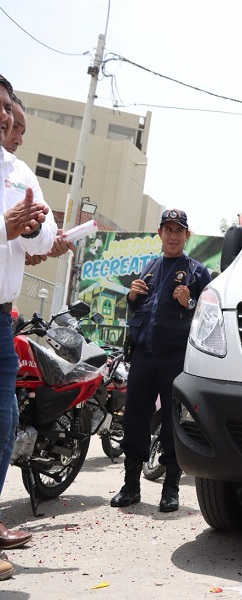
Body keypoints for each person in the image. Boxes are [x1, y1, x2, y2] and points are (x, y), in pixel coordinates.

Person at [111, 209, 211, 512]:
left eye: (178, 230)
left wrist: (189, 301)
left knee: (171, 423)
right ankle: (131, 486)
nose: (173, 235)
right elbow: (137, 311)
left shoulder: (197, 272)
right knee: (134, 420)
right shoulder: (149, 268)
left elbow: (209, 318)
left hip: (175, 359)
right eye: (168, 229)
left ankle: (171, 489)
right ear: (160, 233)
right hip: (143, 356)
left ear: (187, 236)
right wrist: (131, 296)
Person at [0, 74, 57, 581]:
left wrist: (39, 232)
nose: (5, 119)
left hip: (2, 319)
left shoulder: (19, 172)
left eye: (6, 108)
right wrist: (6, 228)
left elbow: (37, 240)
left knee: (3, 423)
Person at [1, 93, 74, 265]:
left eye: (22, 131)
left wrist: (33, 234)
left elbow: (47, 230)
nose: (19, 140)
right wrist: (6, 227)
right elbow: (7, 228)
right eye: (13, 128)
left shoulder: (24, 174)